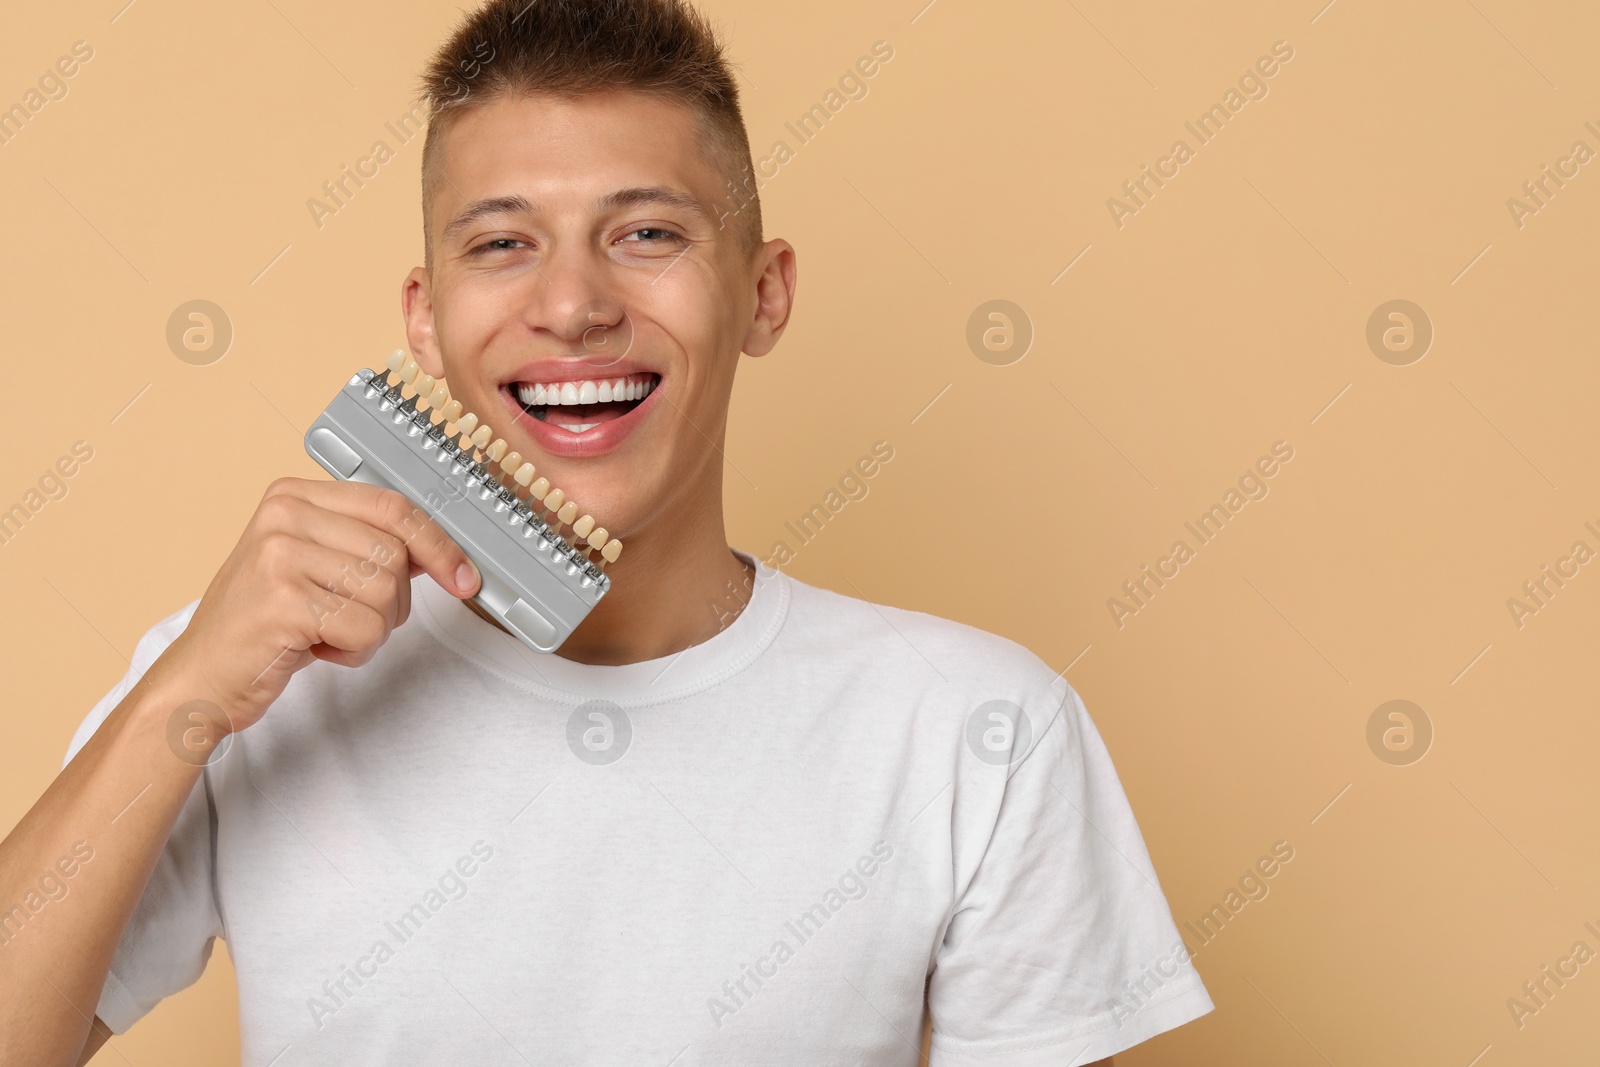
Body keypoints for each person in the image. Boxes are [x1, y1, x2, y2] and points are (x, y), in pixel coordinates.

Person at [0, 1, 1213, 1063]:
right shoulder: (248, 690)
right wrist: (181, 701)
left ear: (764, 291)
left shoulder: (976, 733)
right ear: (426, 321)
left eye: (647, 232)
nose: (573, 305)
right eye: (501, 243)